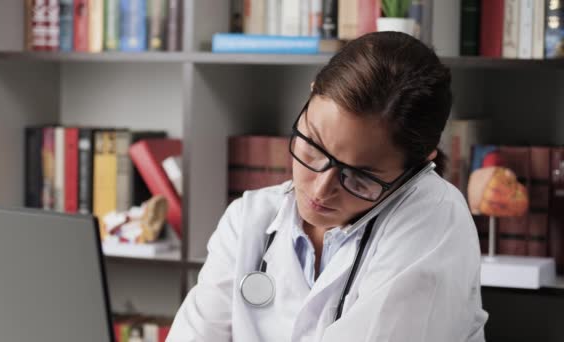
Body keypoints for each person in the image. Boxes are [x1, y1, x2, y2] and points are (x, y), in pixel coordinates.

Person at [167, 32, 488, 342]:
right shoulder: (249, 220)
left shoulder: (435, 219)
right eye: (313, 147)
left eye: (360, 177)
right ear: (309, 98)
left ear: (418, 163)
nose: (321, 189)